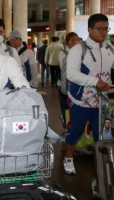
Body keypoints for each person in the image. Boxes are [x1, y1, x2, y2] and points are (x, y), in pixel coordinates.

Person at [64, 13, 114, 175]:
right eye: (99, 29)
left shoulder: (109, 49)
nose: (103, 32)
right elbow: (71, 74)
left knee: (103, 132)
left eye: (106, 29)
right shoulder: (79, 49)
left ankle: (102, 163)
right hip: (81, 100)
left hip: (102, 101)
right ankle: (68, 158)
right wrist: (95, 82)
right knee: (76, 130)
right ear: (89, 29)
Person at [58, 32, 79, 128]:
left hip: (77, 85)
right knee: (65, 107)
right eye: (72, 40)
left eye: (76, 40)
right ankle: (67, 126)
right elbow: (65, 69)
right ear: (67, 42)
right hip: (64, 85)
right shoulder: (63, 53)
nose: (75, 42)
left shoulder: (81, 53)